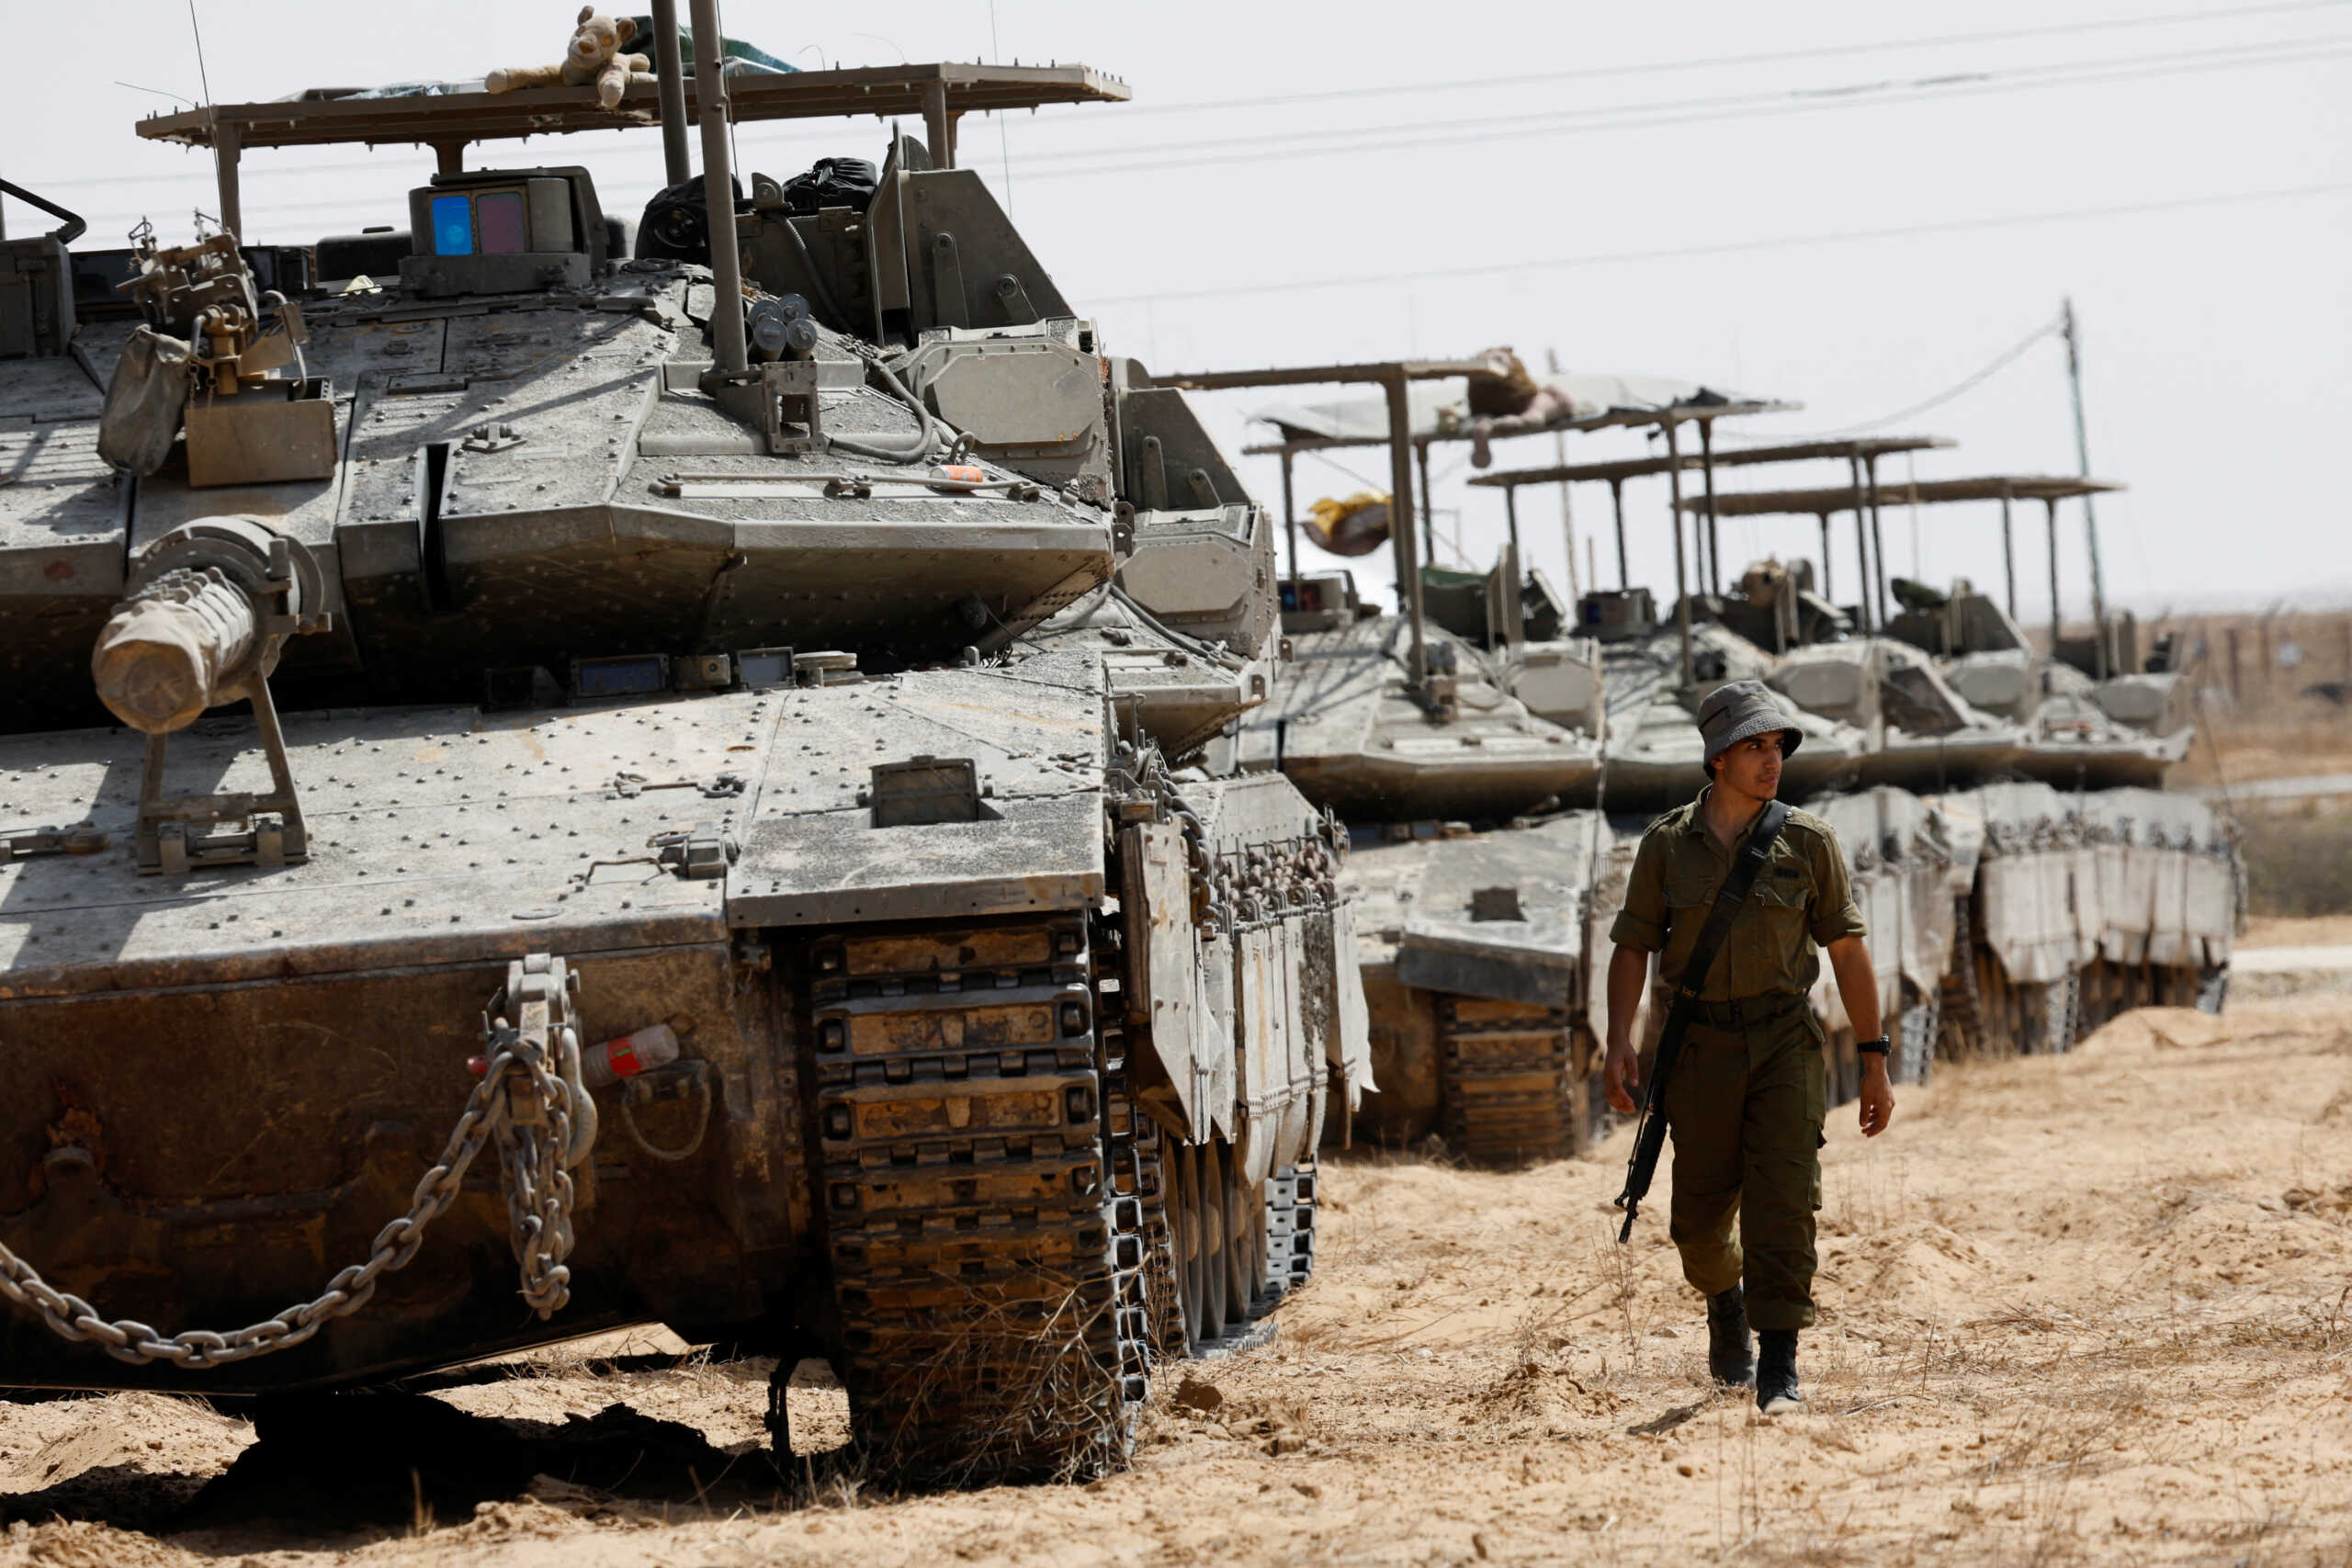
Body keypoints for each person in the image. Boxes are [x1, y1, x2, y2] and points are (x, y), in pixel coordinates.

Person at [1600, 680, 1895, 1415]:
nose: (1773, 761)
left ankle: (1779, 1368)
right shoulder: (1669, 846)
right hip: (1698, 1050)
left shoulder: (1808, 841)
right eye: (1756, 747)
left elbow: (1850, 954)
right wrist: (1617, 1042)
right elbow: (1632, 947)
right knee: (1697, 1225)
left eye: (1777, 747)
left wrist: (1874, 1059)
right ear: (1718, 758)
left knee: (1784, 1201)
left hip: (1783, 1043)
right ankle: (1724, 1304)